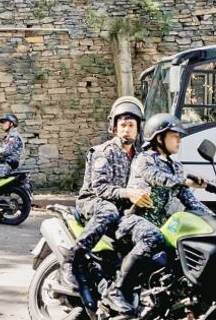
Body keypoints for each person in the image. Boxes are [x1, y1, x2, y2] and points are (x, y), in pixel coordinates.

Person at [113, 113, 209, 316]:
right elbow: (159, 178)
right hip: (135, 220)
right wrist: (186, 180)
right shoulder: (144, 160)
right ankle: (118, 290)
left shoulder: (175, 166)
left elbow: (190, 201)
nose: (179, 140)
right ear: (159, 138)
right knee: (152, 237)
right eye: (175, 136)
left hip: (162, 225)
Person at [63, 97, 151, 294]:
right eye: (123, 125)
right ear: (115, 127)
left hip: (123, 207)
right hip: (93, 201)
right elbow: (101, 189)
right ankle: (72, 261)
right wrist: (129, 193)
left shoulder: (140, 157)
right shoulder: (103, 152)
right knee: (109, 210)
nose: (127, 129)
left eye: (131, 125)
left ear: (138, 129)